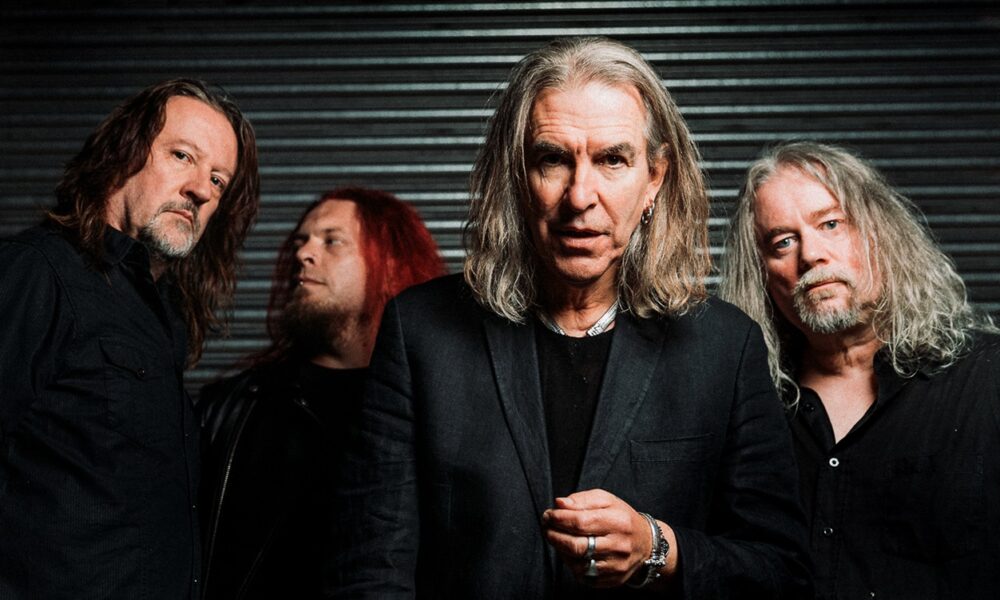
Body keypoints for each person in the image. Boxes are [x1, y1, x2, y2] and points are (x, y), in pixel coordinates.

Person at [329, 37, 811, 599]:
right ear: (517, 175)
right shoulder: (421, 333)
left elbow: (781, 570)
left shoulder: (724, 347)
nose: (580, 196)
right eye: (553, 160)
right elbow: (372, 569)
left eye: (612, 160)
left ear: (654, 179)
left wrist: (660, 548)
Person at [0, 79, 259, 600]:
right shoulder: (36, 273)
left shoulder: (163, 315)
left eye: (218, 179)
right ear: (122, 154)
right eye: (183, 156)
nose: (201, 190)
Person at [720, 141, 1000, 599]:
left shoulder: (987, 378)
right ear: (763, 276)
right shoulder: (747, 408)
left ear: (881, 234)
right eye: (782, 242)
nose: (811, 255)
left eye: (831, 224)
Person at [198, 187, 445, 599]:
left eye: (332, 241)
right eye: (302, 241)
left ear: (388, 264)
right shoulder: (234, 407)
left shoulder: (435, 407)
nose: (304, 254)